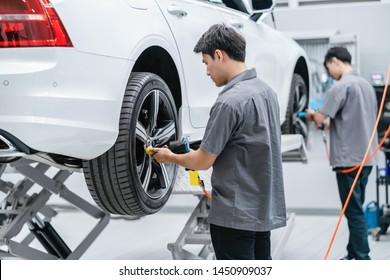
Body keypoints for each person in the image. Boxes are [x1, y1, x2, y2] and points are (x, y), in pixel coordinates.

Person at [151, 24, 286, 260]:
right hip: (262, 215)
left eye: (206, 63)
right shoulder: (268, 93)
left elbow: (203, 161)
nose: (207, 72)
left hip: (234, 218)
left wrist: (169, 157)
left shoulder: (229, 102)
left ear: (219, 55)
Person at [306, 47, 378, 260]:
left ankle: (363, 259)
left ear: (335, 61)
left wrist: (311, 115)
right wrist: (330, 125)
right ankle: (353, 254)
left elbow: (320, 118)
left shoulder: (341, 86)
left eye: (329, 67)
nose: (330, 73)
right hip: (367, 159)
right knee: (356, 209)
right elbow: (352, 119)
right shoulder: (366, 85)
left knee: (353, 213)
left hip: (349, 161)